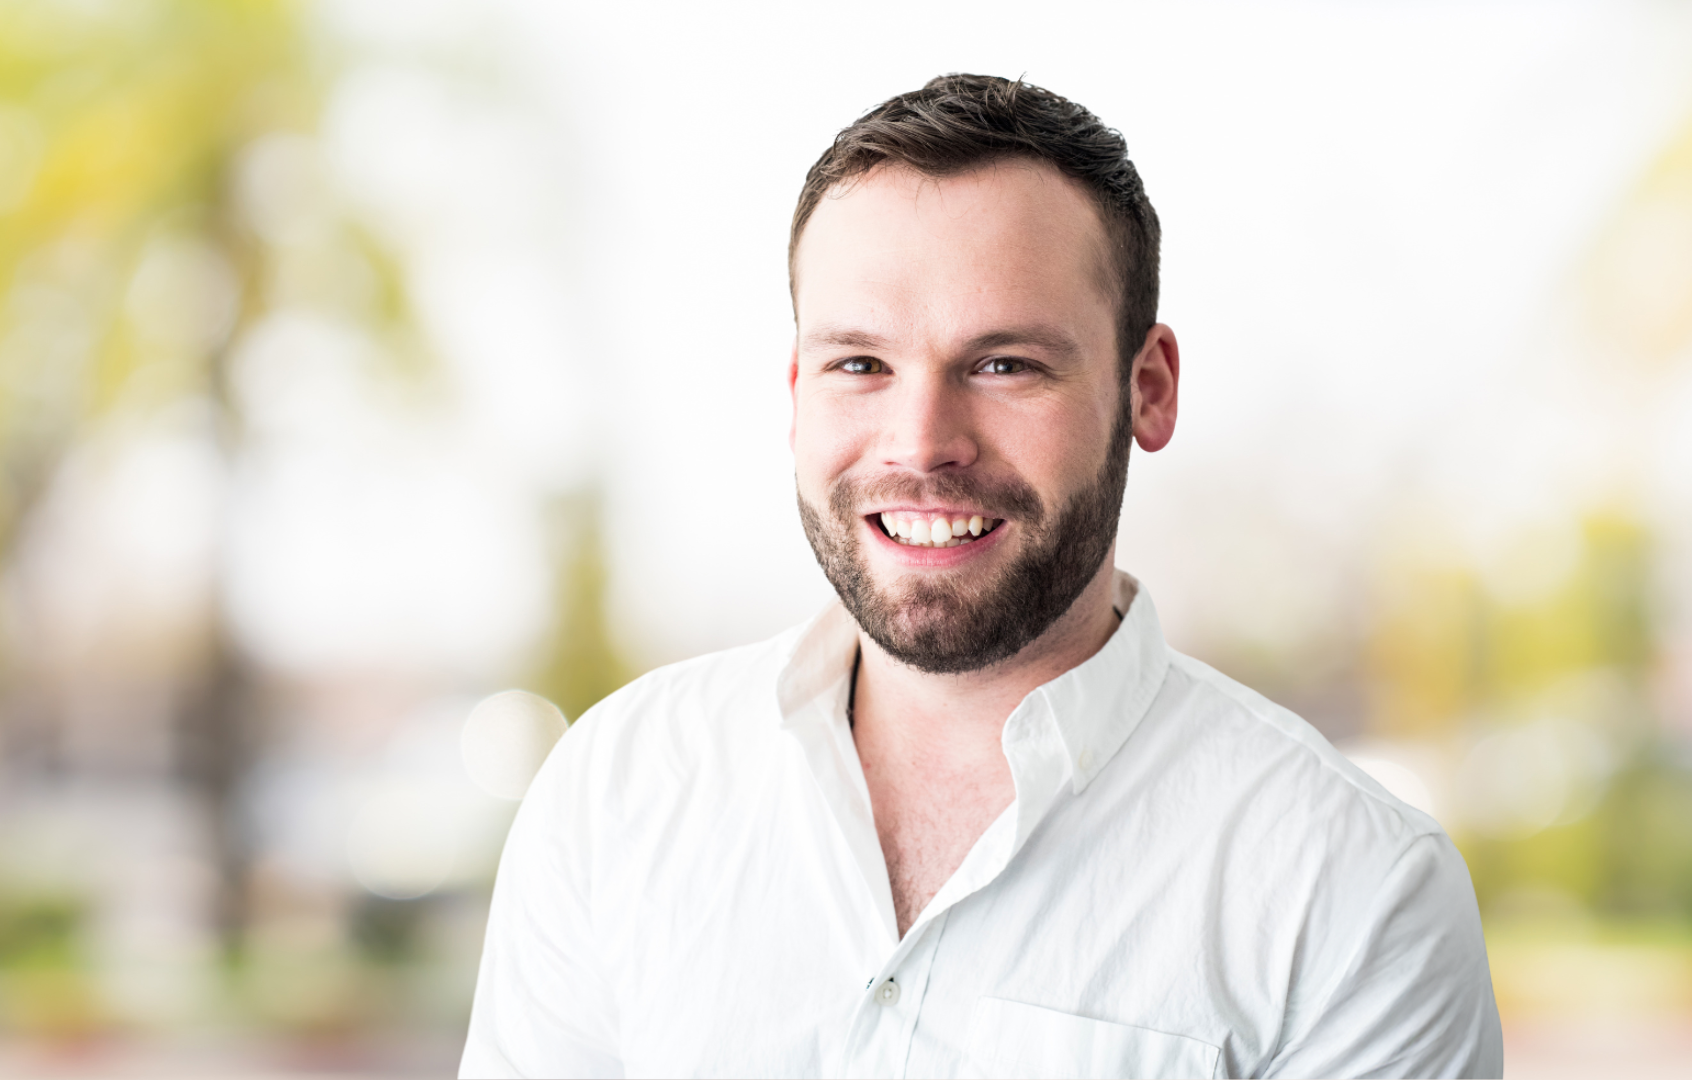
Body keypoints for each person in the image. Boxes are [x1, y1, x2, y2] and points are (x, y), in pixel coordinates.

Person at [460, 74, 1502, 1079]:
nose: (920, 442)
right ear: (794, 394)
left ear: (1148, 389)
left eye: (1004, 364)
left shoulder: (1352, 891)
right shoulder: (616, 792)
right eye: (859, 364)